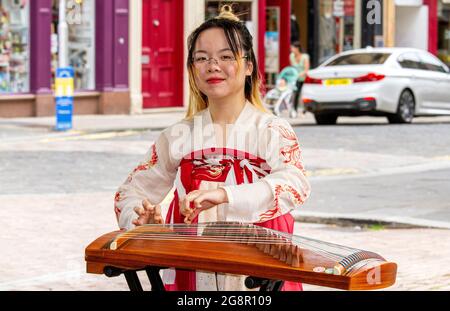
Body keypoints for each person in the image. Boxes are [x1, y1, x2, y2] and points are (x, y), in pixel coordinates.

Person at [113, 5, 311, 291]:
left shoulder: (271, 130)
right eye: (201, 58)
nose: (213, 66)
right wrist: (140, 219)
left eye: (226, 57)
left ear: (248, 66)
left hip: (261, 274)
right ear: (192, 69)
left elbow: (295, 183)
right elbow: (131, 191)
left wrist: (224, 194)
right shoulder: (179, 136)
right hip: (192, 275)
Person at [290, 41, 310, 115]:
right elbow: (292, 67)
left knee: (304, 94)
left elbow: (306, 69)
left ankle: (304, 110)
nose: (291, 49)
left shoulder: (305, 57)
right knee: (296, 93)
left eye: (293, 48)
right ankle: (294, 110)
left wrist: (299, 74)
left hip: (304, 79)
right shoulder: (291, 56)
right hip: (296, 78)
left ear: (297, 48)